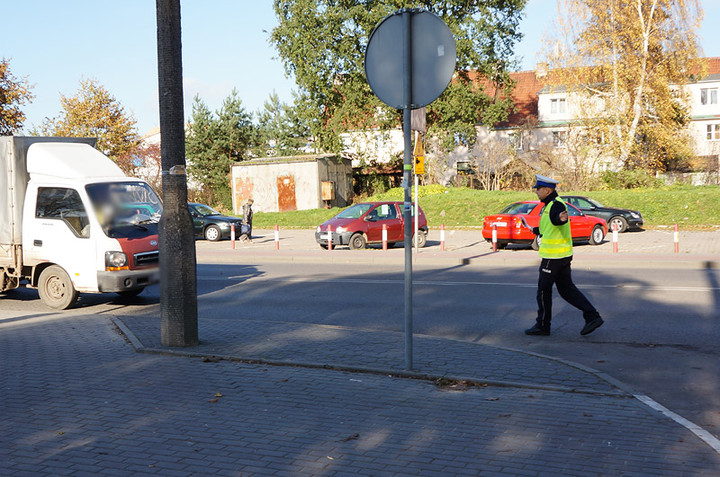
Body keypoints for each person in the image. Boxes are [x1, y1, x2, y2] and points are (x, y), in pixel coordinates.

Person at [525, 174, 604, 336]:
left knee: (543, 292)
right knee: (566, 289)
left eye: (538, 189)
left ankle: (542, 325)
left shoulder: (556, 206)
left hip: (553, 258)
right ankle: (592, 316)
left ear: (547, 190)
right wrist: (533, 229)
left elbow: (558, 219)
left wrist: (561, 218)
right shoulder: (550, 205)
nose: (536, 192)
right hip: (562, 256)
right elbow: (549, 227)